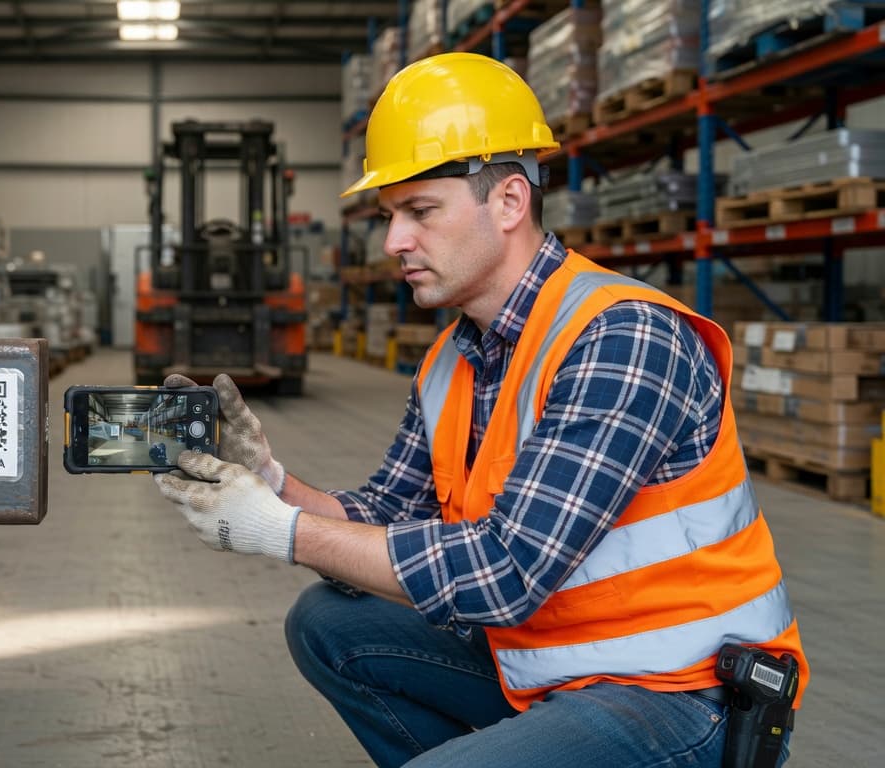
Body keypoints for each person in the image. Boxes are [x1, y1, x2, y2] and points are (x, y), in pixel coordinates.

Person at [155, 52, 808, 768]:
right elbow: (388, 514)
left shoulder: (622, 336)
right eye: (390, 216)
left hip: (683, 694)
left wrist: (280, 532)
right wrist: (275, 485)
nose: (395, 241)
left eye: (420, 211)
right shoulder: (452, 363)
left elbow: (505, 570)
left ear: (508, 203)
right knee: (328, 623)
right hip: (555, 666)